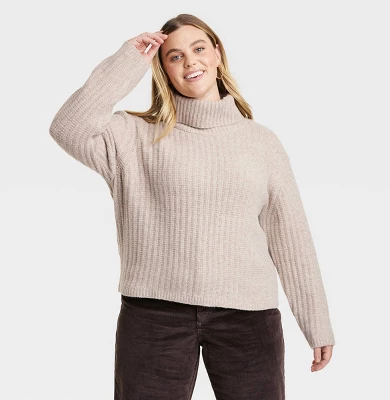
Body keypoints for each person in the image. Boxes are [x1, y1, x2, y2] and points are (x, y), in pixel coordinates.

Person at [49, 13, 335, 400]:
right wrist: (128, 60)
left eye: (198, 48)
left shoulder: (261, 142)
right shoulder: (132, 136)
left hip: (247, 316)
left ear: (217, 53)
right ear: (163, 69)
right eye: (175, 56)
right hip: (154, 316)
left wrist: (316, 322)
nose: (190, 62)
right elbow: (68, 126)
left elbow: (291, 235)